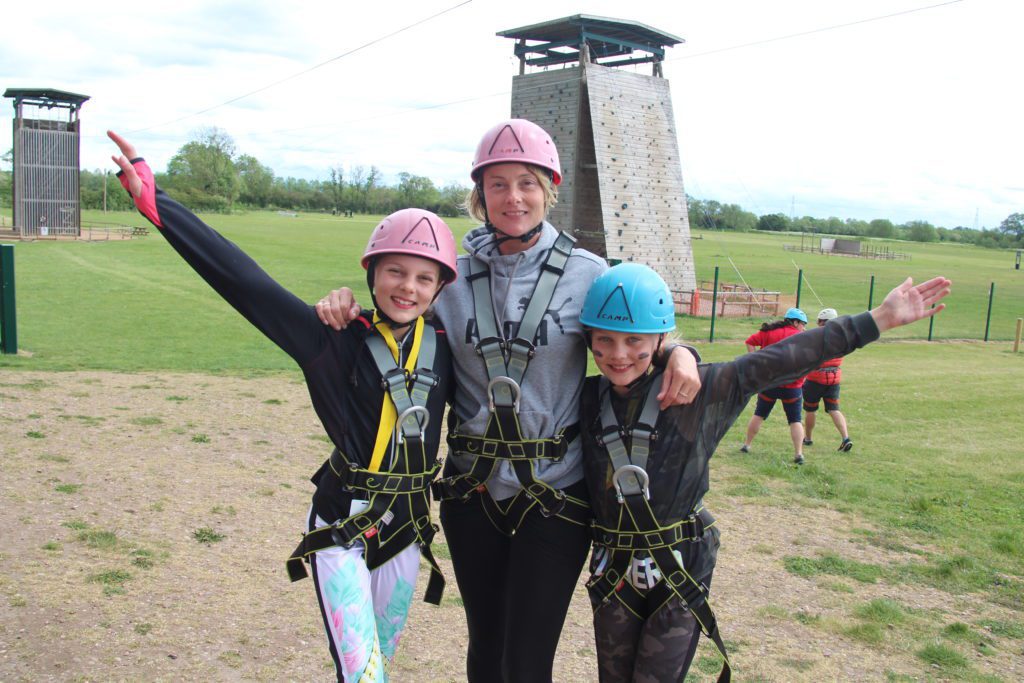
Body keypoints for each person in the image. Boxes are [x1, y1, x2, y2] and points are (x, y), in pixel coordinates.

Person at [315, 118, 702, 682]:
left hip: (555, 496)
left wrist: (681, 352)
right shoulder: (447, 278)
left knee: (527, 660)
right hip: (473, 495)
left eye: (526, 181)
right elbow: (394, 306)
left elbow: (635, 337)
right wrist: (341, 301)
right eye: (497, 183)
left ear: (550, 187)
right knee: (485, 647)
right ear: (480, 194)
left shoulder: (589, 274)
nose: (513, 196)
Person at [108, 131, 459, 683]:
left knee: (378, 664)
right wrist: (159, 206)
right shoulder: (331, 339)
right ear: (372, 273)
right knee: (364, 675)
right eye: (394, 270)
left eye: (423, 277)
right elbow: (246, 283)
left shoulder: (445, 347)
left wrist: (650, 359)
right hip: (344, 524)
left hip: (408, 528)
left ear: (439, 289)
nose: (407, 287)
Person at [578, 263, 952, 683]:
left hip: (678, 567)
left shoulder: (702, 390)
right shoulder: (586, 398)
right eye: (604, 341)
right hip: (614, 570)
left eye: (635, 342)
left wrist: (878, 320)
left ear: (660, 339)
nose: (618, 354)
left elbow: (784, 358)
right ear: (588, 340)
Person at [739, 307, 809, 464]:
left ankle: (746, 445)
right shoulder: (801, 337)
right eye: (803, 324)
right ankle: (798, 454)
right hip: (792, 387)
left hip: (768, 383)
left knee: (759, 414)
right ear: (795, 322)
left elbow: (750, 342)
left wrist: (755, 362)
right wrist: (802, 377)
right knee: (795, 420)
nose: (804, 328)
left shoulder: (768, 332)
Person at [802, 308, 854, 451]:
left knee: (810, 409)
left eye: (819, 321)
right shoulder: (842, 337)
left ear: (823, 322)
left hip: (815, 379)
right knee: (833, 409)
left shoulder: (817, 337)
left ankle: (808, 438)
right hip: (834, 379)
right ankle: (845, 438)